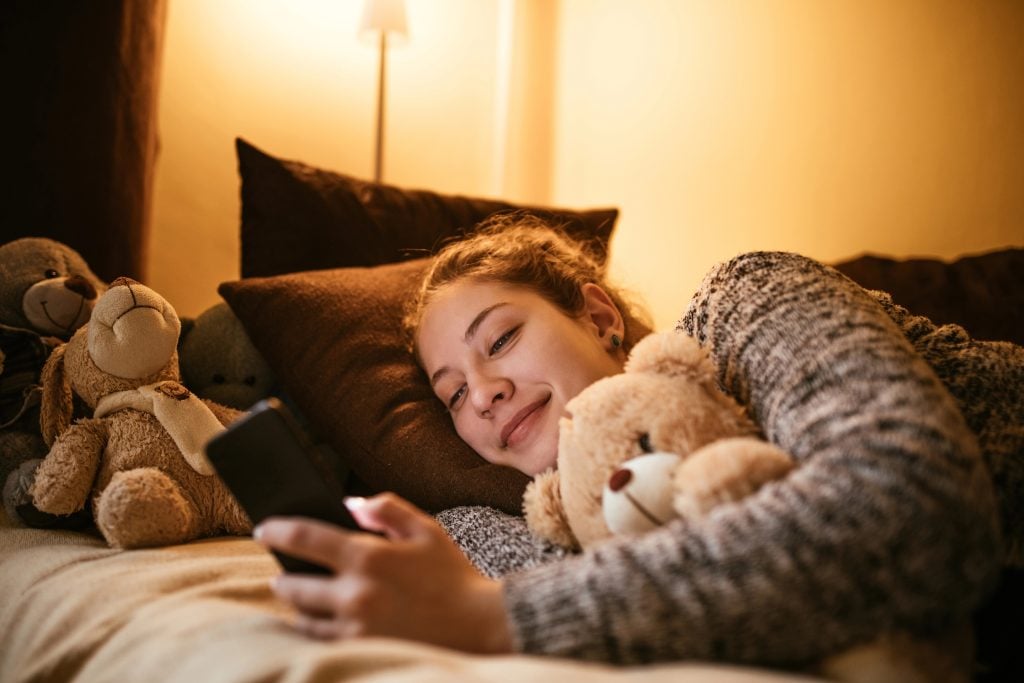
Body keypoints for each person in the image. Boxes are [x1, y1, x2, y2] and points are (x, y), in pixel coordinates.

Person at [254, 215, 1012, 672]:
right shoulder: (522, 522)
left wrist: (495, 617)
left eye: (503, 338)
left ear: (598, 317)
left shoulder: (743, 304)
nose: (480, 392)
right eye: (452, 393)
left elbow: (918, 502)